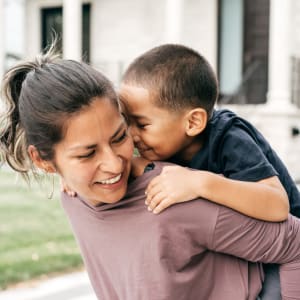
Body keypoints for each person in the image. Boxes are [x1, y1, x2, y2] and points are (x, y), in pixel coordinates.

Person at [1, 49, 300, 300]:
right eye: (87, 153)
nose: (116, 164)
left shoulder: (211, 156)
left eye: (120, 137)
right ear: (45, 162)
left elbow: (282, 215)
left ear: (193, 122)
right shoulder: (75, 197)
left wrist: (201, 181)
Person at [119, 44, 300, 299]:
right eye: (126, 121)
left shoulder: (229, 137)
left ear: (193, 122)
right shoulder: (162, 145)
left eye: (142, 124)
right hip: (238, 248)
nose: (132, 134)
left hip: (284, 254)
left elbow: (277, 204)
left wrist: (199, 182)